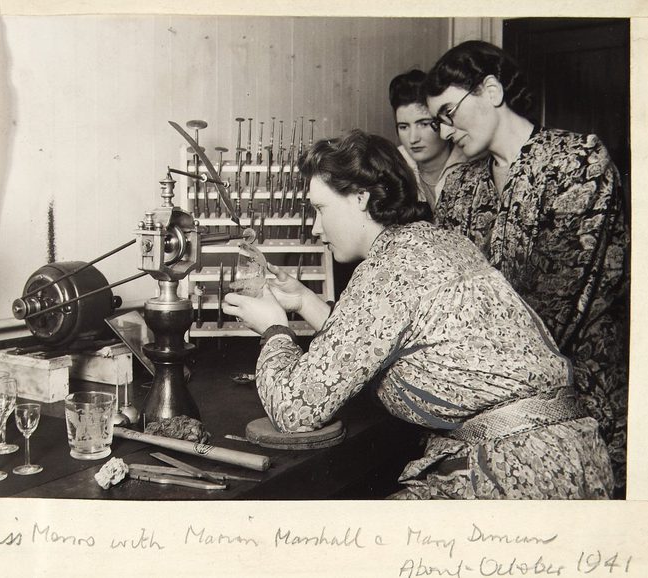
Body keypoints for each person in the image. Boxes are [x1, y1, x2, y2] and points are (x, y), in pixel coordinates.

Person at [222, 129, 613, 499]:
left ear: (360, 197)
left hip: (517, 472)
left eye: (320, 209)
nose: (315, 227)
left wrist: (273, 328)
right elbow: (377, 342)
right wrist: (304, 301)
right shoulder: (434, 241)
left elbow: (294, 409)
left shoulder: (388, 269)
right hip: (569, 456)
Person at [423, 40, 629, 495]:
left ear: (491, 90)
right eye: (436, 120)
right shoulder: (458, 186)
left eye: (449, 112)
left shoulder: (578, 162)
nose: (443, 130)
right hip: (486, 405)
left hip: (579, 402)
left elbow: (566, 298)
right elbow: (444, 294)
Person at [389, 69, 467, 211]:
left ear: (442, 122)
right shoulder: (393, 164)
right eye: (404, 127)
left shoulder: (471, 161)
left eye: (424, 124)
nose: (413, 139)